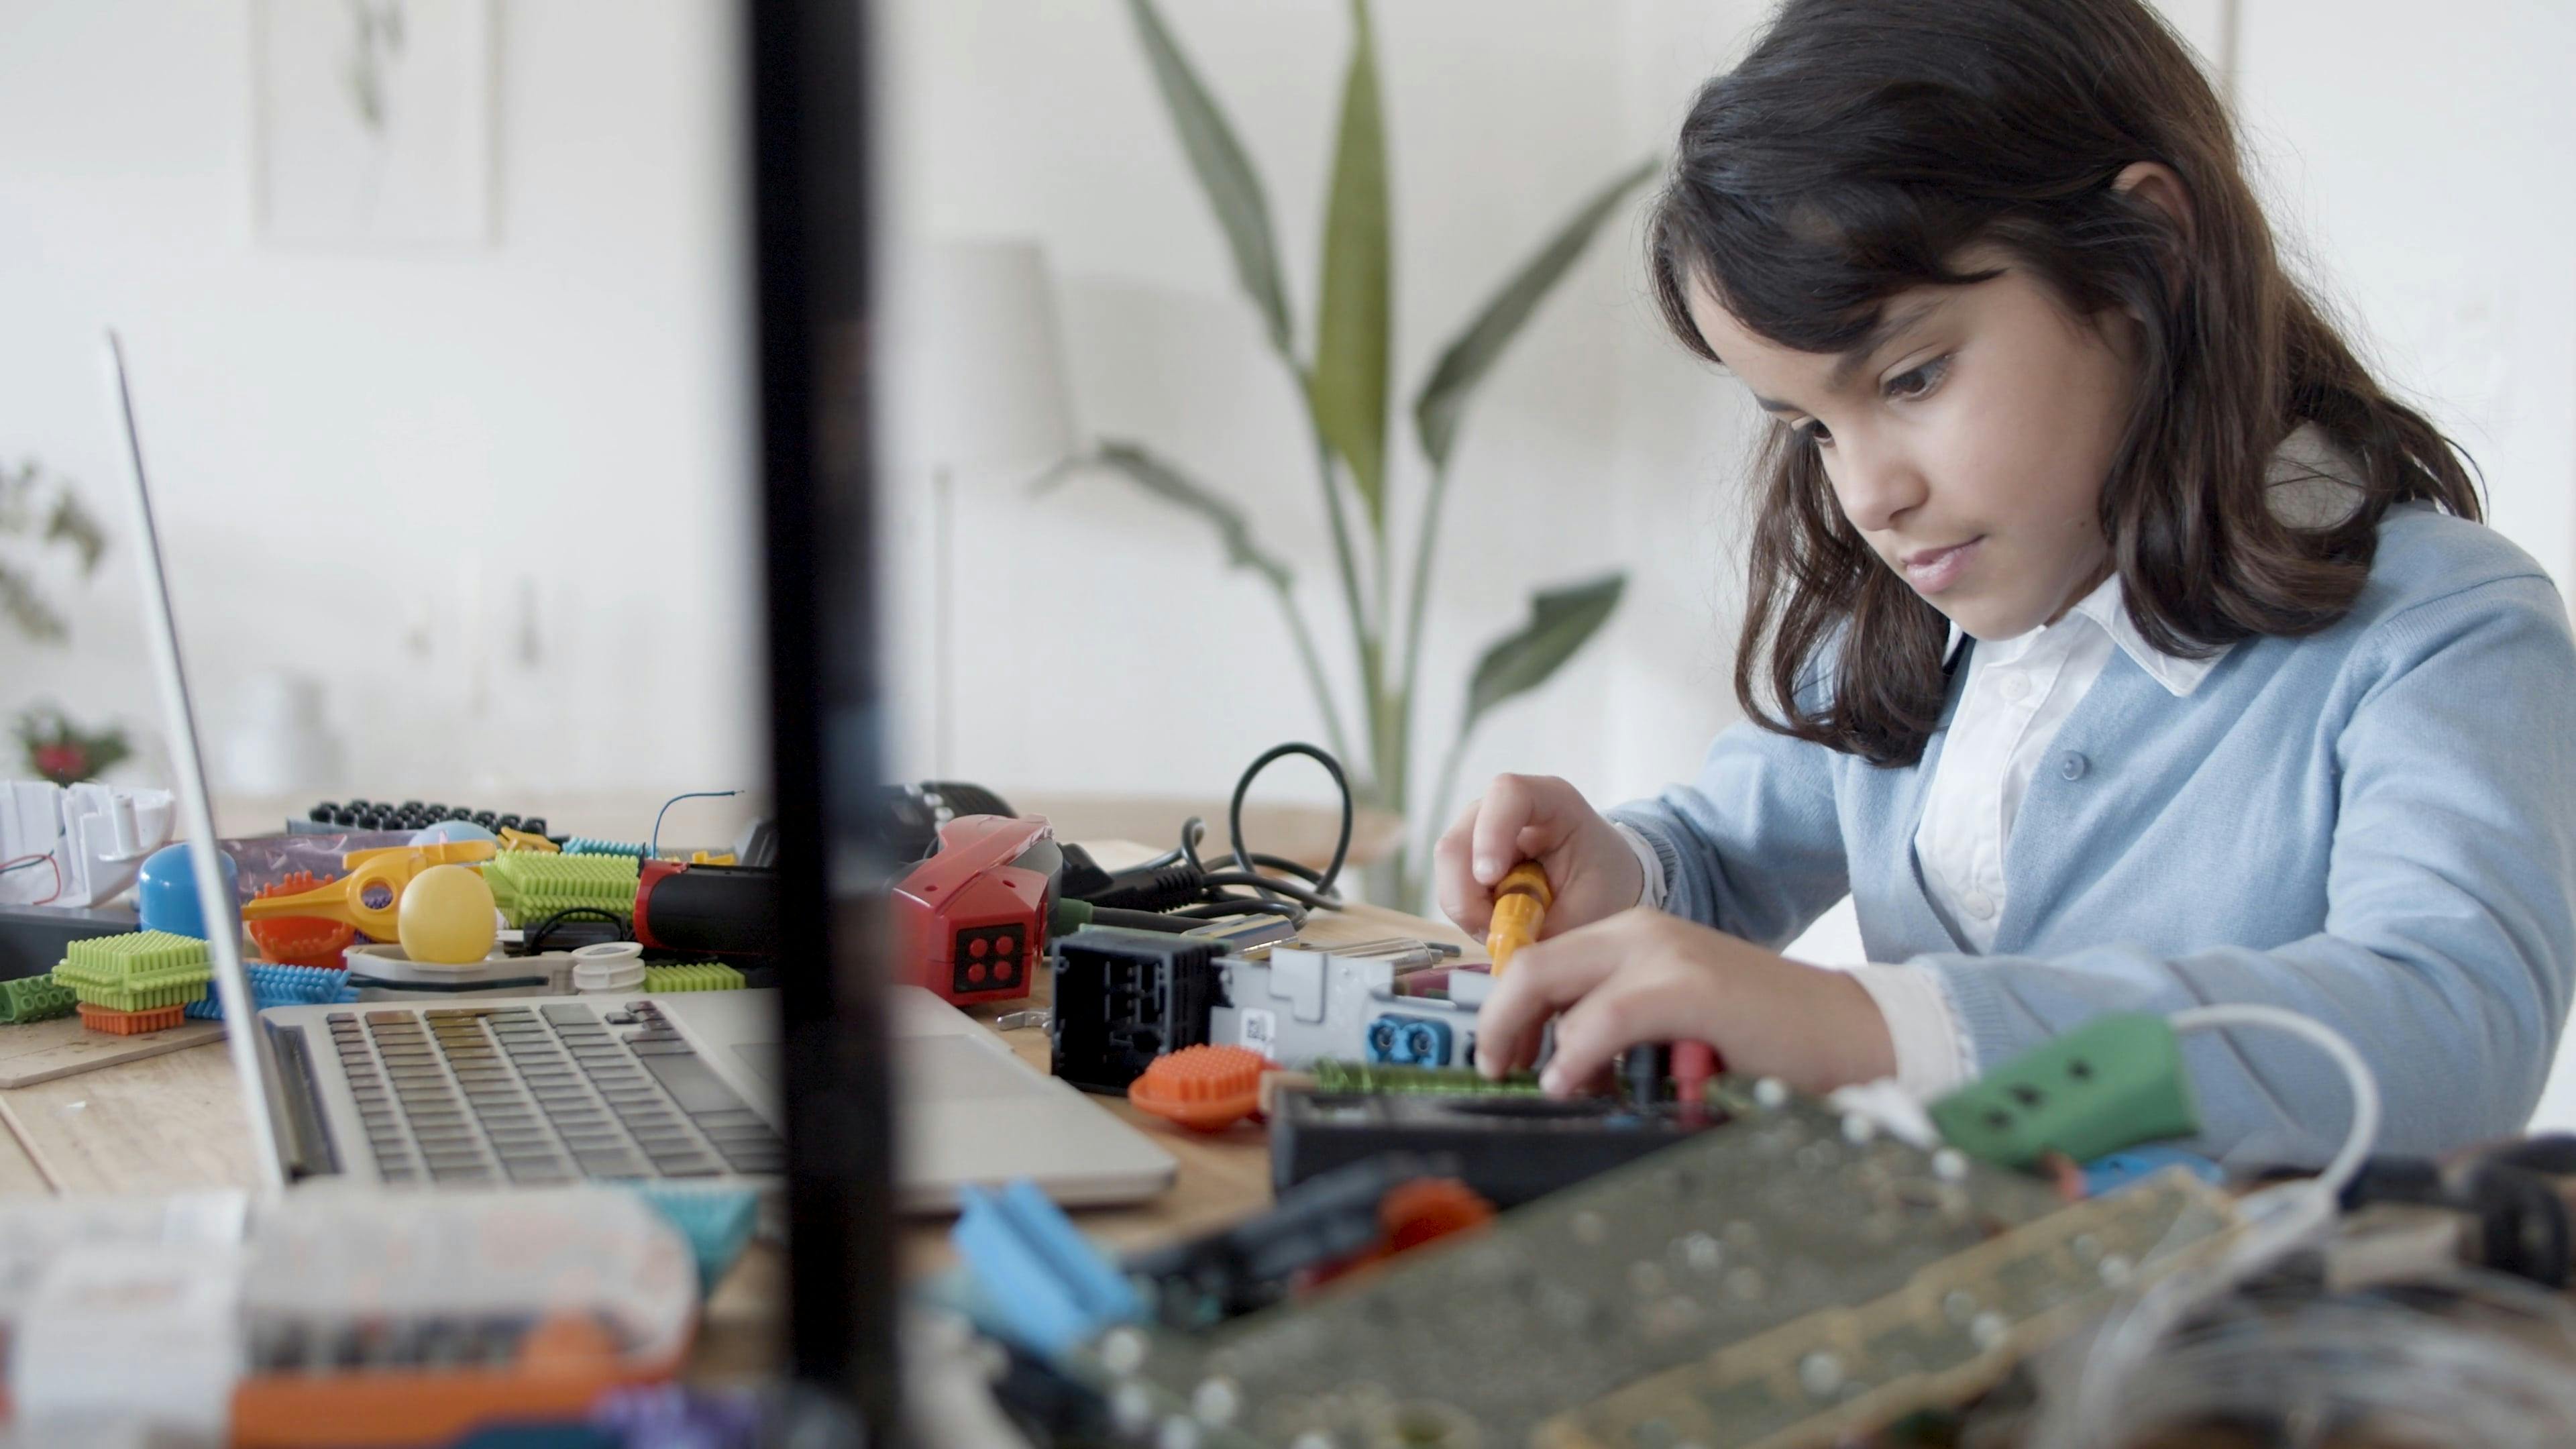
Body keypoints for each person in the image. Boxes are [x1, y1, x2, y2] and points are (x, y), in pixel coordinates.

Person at [1438, 0, 2576, 1163]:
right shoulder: (1908, 624)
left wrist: (1876, 1024)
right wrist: (1615, 875)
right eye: (1811, 430)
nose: (1868, 493)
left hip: (2249, 1337)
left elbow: (2452, 1031)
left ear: (2149, 263)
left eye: (1914, 377)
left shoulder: (2446, 634)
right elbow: (1724, 854)